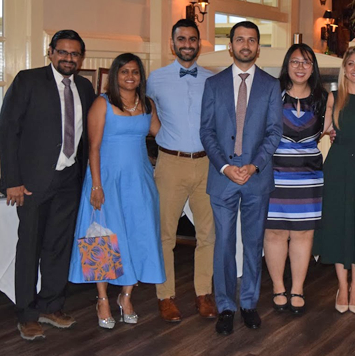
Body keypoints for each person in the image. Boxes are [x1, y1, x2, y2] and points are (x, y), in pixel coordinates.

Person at [0, 30, 96, 340]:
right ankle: (26, 314)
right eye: (63, 52)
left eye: (75, 54)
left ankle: (51, 305)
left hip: (69, 180)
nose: (69, 58)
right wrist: (11, 181)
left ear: (81, 58)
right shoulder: (27, 81)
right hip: (31, 184)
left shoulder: (84, 87)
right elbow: (8, 132)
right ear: (50, 52)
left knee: (59, 245)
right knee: (29, 248)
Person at [68, 53, 165, 329]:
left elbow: (163, 134)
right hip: (106, 179)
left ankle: (126, 295)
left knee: (137, 233)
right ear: (115, 75)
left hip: (139, 180)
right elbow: (93, 148)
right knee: (103, 237)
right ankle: (102, 299)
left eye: (135, 72)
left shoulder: (147, 104)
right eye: (124, 72)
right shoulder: (102, 103)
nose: (130, 76)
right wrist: (96, 186)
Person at [200, 21, 283, 335]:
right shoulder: (214, 84)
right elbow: (206, 131)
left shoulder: (270, 85)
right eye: (239, 39)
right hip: (222, 178)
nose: (245, 45)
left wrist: (254, 166)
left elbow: (275, 132)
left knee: (252, 243)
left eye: (251, 40)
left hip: (256, 178)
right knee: (223, 244)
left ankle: (248, 303)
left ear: (258, 47)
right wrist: (224, 166)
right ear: (230, 45)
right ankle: (225, 306)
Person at [147, 19, 218, 322]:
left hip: (206, 163)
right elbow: (148, 115)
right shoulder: (155, 79)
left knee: (208, 233)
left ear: (198, 43)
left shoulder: (212, 79)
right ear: (172, 43)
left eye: (192, 39)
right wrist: (166, 137)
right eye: (181, 39)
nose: (187, 44)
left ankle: (204, 293)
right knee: (165, 235)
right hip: (170, 163)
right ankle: (166, 296)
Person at [313, 46, 355, 315]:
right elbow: (323, 129)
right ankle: (342, 286)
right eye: (350, 63)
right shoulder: (333, 98)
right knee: (339, 226)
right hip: (338, 167)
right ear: (344, 69)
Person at [264, 44, 328, 315]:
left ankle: (298, 288)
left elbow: (329, 131)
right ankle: (279, 287)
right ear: (286, 66)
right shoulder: (271, 95)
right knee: (275, 233)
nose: (300, 67)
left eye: (306, 62)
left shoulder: (324, 99)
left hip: (309, 176)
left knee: (303, 234)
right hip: (275, 174)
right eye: (295, 62)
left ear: (313, 67)